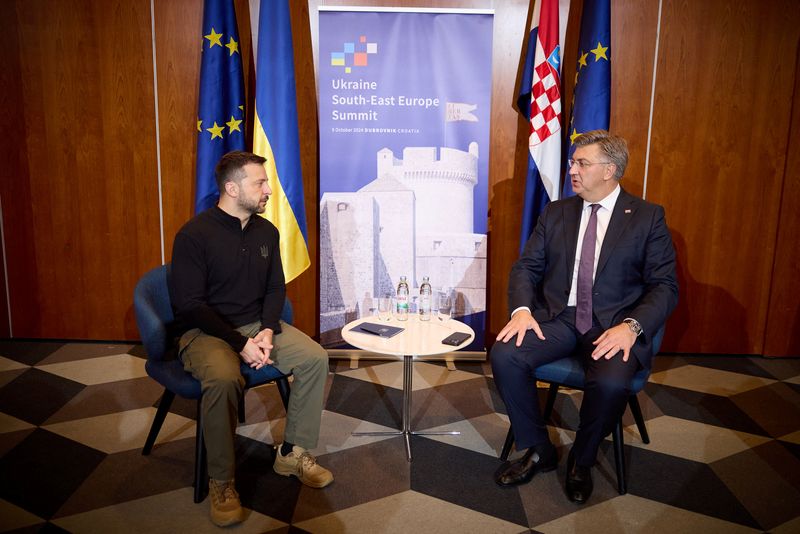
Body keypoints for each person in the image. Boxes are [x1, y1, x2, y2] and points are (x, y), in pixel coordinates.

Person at [491, 130, 678, 504]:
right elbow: (527, 267)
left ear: (609, 170)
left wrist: (632, 327)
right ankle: (539, 449)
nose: (572, 169)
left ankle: (583, 457)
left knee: (610, 384)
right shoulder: (557, 212)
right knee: (505, 353)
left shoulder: (646, 217)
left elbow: (665, 286)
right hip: (561, 317)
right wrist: (523, 310)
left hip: (613, 325)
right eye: (573, 162)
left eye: (581, 163)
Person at [171, 151, 332, 527]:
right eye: (259, 183)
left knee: (314, 357)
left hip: (255, 326)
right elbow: (190, 305)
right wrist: (240, 343)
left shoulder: (267, 231)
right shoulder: (193, 235)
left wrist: (265, 329)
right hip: (205, 331)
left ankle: (291, 452)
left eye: (266, 182)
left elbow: (275, 287)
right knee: (226, 378)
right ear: (231, 188)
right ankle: (222, 481)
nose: (269, 190)